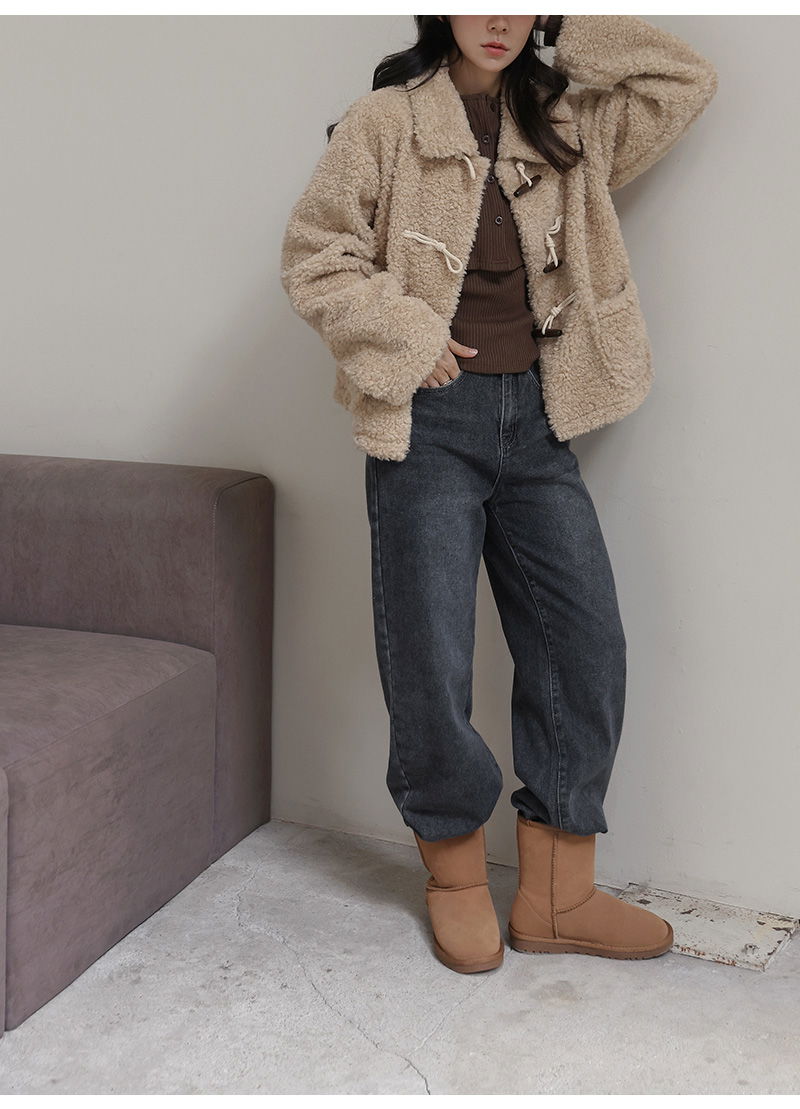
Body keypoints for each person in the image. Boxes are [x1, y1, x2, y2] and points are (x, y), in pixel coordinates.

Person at [280, 14, 719, 974]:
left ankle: (558, 895)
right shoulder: (385, 121)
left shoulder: (564, 120)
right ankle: (456, 877)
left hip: (540, 422)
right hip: (428, 422)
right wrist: (407, 335)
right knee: (430, 654)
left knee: (584, 642)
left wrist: (563, 30)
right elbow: (316, 253)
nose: (498, 19)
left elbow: (682, 81)